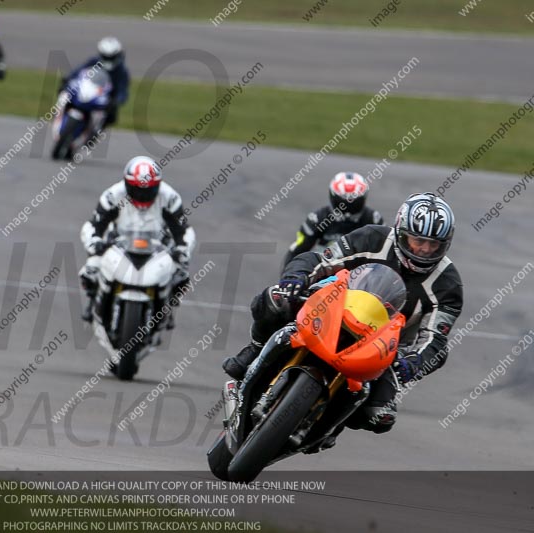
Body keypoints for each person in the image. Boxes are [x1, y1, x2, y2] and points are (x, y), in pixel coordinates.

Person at [223, 192, 463, 446]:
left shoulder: (448, 285)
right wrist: (297, 277)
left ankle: (329, 427)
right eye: (417, 240)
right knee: (275, 299)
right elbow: (323, 260)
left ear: (445, 244)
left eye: (433, 244)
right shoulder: (372, 237)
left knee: (379, 417)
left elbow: (435, 340)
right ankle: (256, 348)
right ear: (401, 231)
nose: (424, 250)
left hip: (383, 348)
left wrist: (414, 363)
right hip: (334, 310)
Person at [79, 156, 196, 328]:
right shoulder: (113, 195)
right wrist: (94, 241)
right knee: (90, 269)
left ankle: (168, 308)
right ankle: (92, 300)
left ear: (157, 186)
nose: (142, 195)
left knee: (181, 274)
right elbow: (94, 224)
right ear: (127, 184)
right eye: (137, 189)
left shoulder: (169, 197)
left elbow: (183, 231)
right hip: (118, 243)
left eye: (148, 190)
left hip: (158, 246)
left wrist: (183, 249)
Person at [283, 172, 383, 267]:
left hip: (360, 276)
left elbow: (385, 251)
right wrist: (288, 279)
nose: (347, 209)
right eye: (343, 202)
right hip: (323, 273)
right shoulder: (317, 218)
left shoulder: (374, 219)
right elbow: (296, 251)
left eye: (353, 203)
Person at [65, 37, 130, 129]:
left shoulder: (121, 71)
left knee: (110, 117)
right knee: (67, 95)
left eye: (111, 57)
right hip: (89, 90)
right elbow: (78, 72)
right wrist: (67, 80)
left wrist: (116, 101)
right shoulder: (94, 61)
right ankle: (63, 117)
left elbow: (122, 90)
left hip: (105, 99)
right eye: (106, 56)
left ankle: (93, 136)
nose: (108, 59)